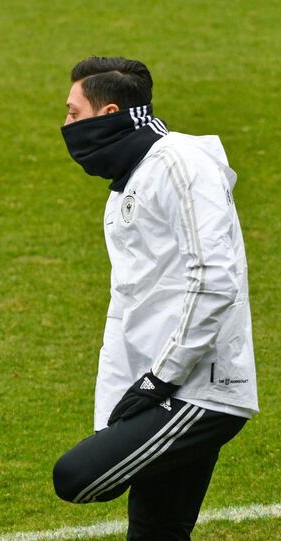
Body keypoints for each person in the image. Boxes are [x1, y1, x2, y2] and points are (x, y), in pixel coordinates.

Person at [52, 57, 259, 540]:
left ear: (107, 114)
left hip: (199, 389)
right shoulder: (126, 185)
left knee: (76, 477)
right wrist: (114, 412)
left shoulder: (182, 164)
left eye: (72, 113)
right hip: (159, 386)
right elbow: (123, 308)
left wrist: (162, 378)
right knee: (156, 532)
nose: (65, 127)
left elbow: (214, 277)